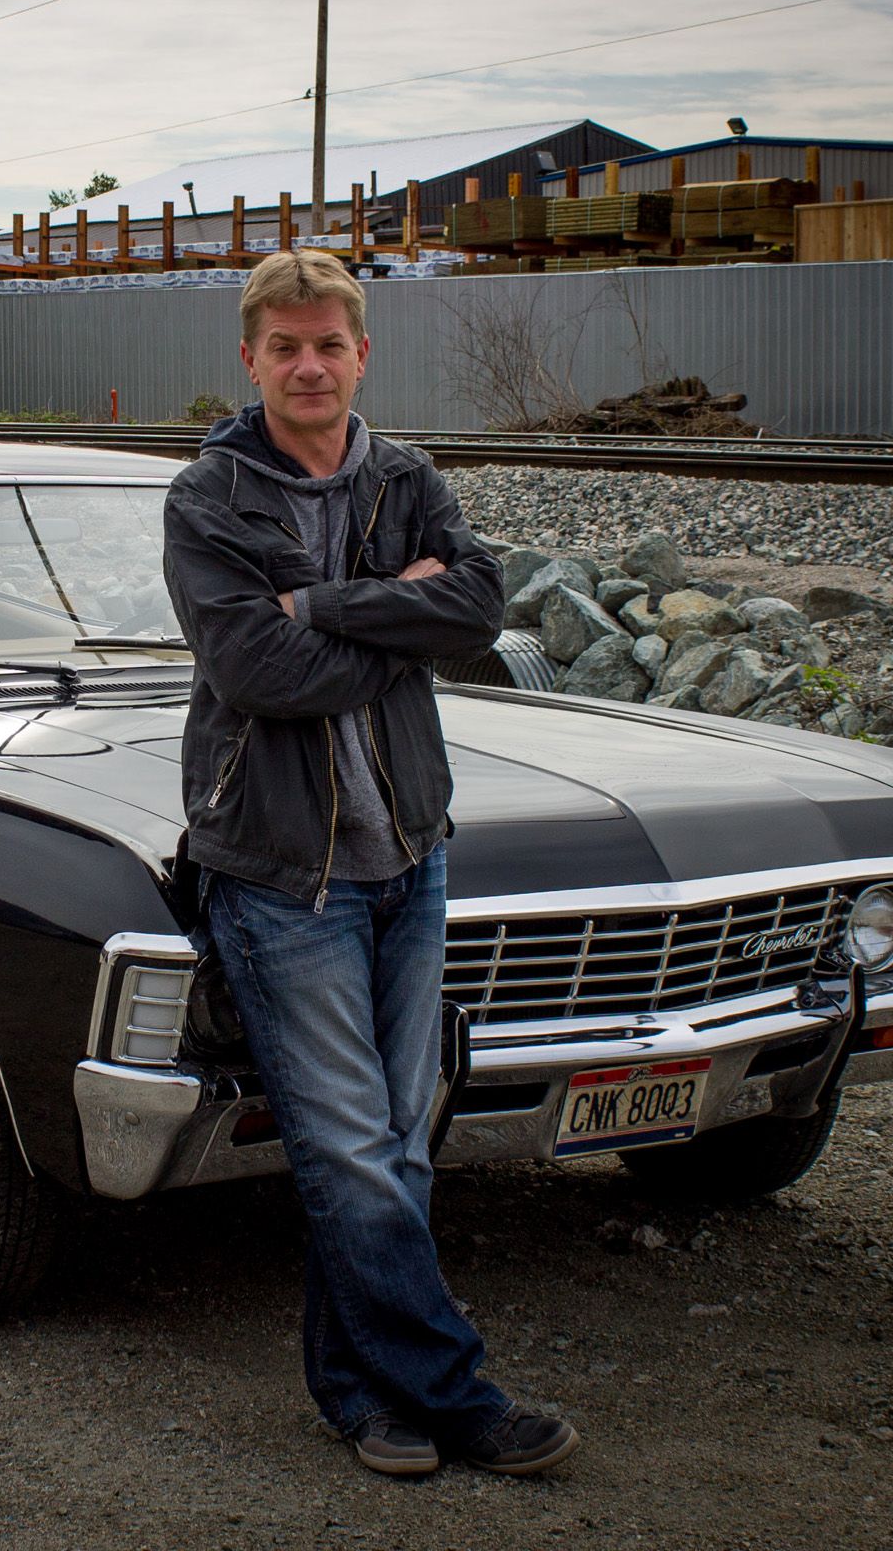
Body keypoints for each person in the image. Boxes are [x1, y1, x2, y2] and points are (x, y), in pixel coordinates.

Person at [161, 248, 578, 1478]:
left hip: (408, 852)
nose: (307, 365)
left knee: (396, 1142)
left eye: (327, 345)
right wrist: (397, 616)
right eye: (283, 346)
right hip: (284, 874)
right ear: (250, 358)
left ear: (360, 353)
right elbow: (255, 674)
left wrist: (326, 606)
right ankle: (457, 1393)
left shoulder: (405, 476)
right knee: (348, 1146)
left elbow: (479, 609)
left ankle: (362, 1392)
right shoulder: (209, 497)